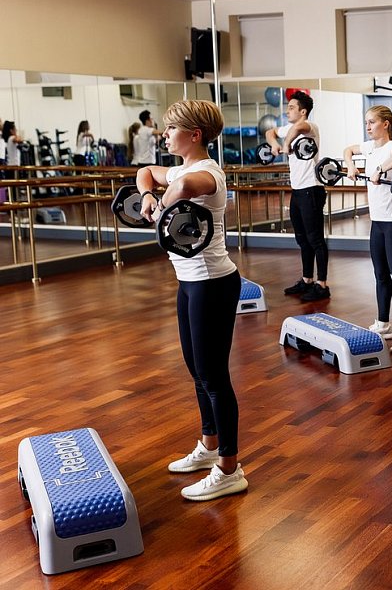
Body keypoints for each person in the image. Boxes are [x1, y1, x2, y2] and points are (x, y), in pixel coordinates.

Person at [135, 99, 248, 501]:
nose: (165, 134)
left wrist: (161, 203)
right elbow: (144, 172)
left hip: (212, 284)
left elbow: (183, 188)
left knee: (214, 377)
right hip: (188, 283)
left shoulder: (207, 173)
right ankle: (209, 445)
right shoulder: (181, 168)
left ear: (195, 135)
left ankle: (230, 469)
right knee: (197, 371)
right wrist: (147, 196)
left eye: (172, 128)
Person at [343, 105, 392, 353]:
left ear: (385, 124)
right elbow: (348, 150)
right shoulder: (369, 147)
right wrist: (351, 165)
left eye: (372, 122)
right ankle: (383, 324)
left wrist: (379, 169)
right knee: (380, 275)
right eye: (366, 122)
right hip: (377, 221)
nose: (368, 126)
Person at [267, 91, 329, 302]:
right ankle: (307, 279)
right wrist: (275, 143)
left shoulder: (311, 127)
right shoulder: (289, 128)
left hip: (312, 189)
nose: (287, 111)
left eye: (292, 107)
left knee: (315, 239)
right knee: (302, 239)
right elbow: (269, 131)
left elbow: (298, 129)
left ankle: (322, 285)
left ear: (303, 111)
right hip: (297, 190)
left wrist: (286, 144)